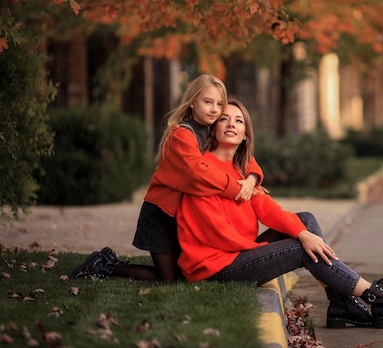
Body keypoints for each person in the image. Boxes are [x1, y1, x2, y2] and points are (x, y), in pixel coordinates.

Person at [176, 99, 383, 328]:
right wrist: (278, 245)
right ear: (213, 128)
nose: (231, 124)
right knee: (302, 248)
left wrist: (300, 232)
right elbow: (215, 233)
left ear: (245, 134)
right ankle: (372, 295)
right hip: (215, 268)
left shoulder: (243, 174)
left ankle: (342, 304)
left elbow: (270, 211)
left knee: (306, 221)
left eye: (238, 120)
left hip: (237, 254)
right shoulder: (203, 170)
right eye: (224, 119)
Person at [70, 75, 264, 281]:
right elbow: (198, 171)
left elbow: (242, 153)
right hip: (161, 215)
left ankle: (108, 261)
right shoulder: (182, 134)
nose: (214, 109)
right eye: (208, 102)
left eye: (219, 104)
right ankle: (103, 265)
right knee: (169, 280)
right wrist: (235, 188)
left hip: (183, 218)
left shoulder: (210, 131)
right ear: (192, 103)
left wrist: (251, 178)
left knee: (182, 275)